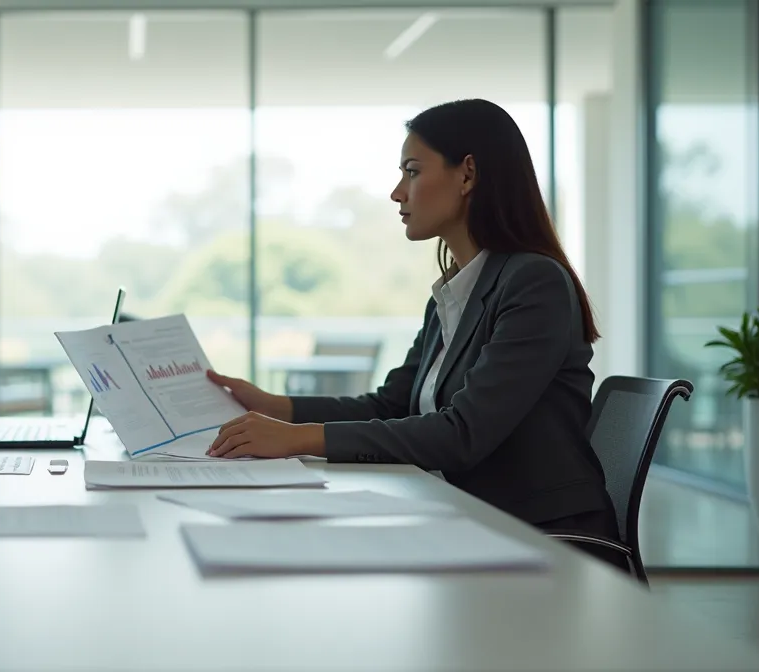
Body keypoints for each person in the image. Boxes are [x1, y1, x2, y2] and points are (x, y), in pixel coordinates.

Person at [204, 98, 628, 573]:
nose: (396, 193)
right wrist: (271, 407)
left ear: (467, 175)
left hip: (544, 539)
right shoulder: (454, 292)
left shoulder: (534, 283)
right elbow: (391, 406)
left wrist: (297, 438)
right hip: (471, 520)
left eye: (411, 171)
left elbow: (462, 434)